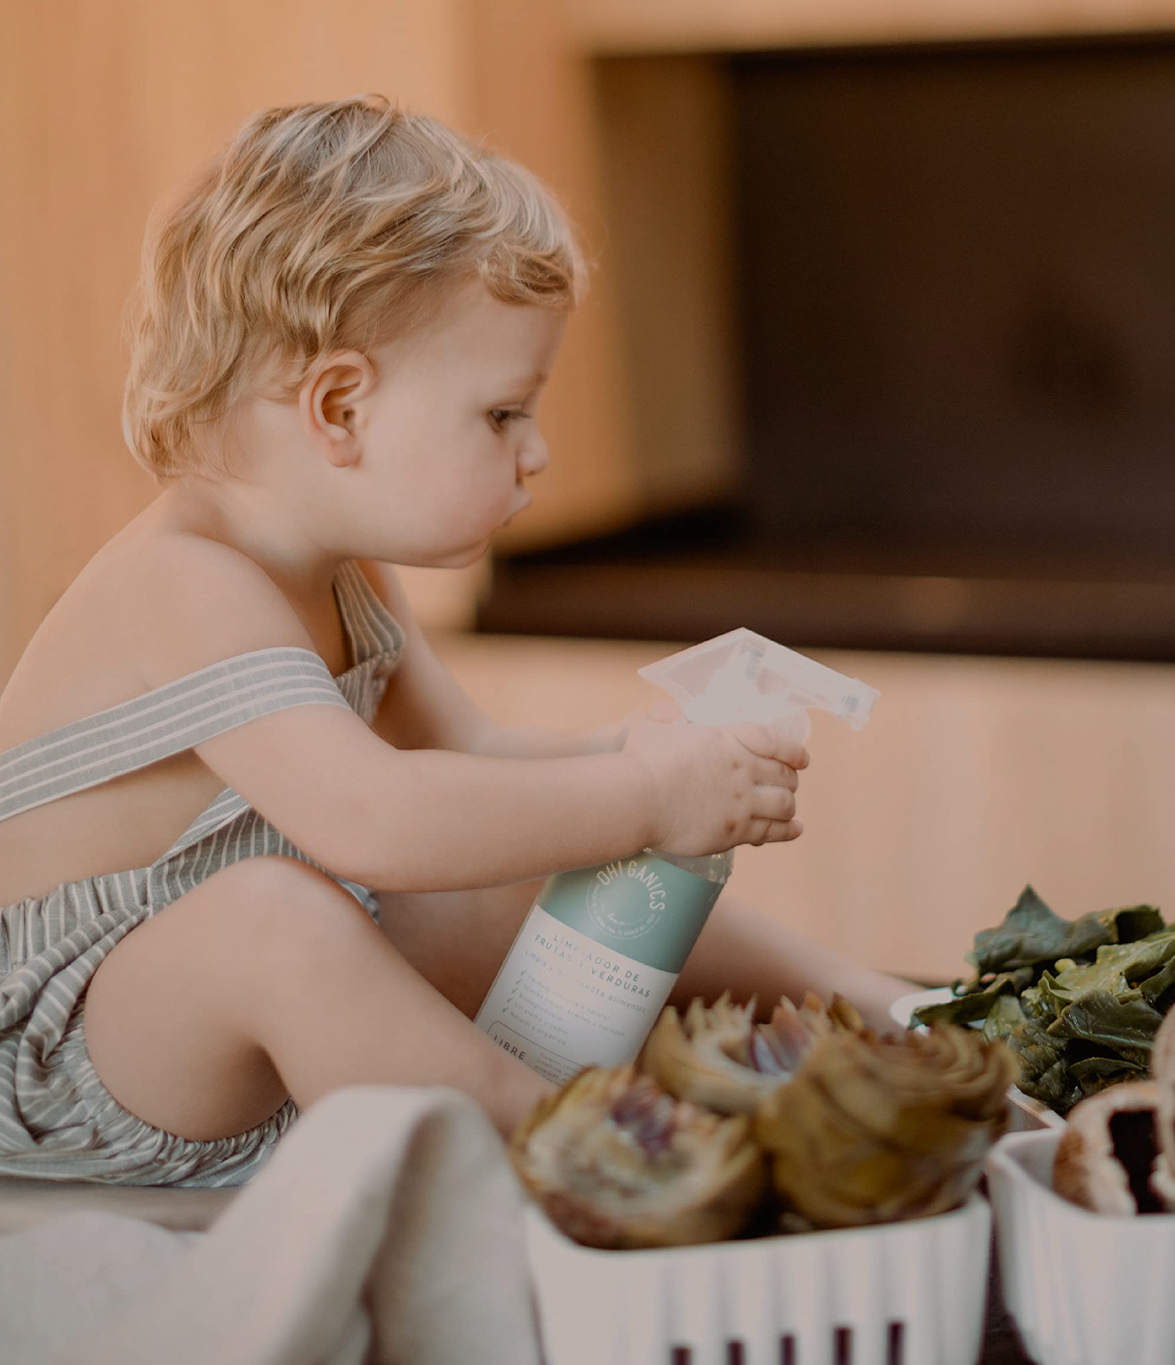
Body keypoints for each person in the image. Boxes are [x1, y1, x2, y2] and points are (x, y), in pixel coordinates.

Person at [0, 96, 903, 1187]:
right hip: (75, 1051)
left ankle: (886, 1011)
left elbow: (464, 761)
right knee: (275, 918)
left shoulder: (344, 571)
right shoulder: (183, 583)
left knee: (538, 850)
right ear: (339, 409)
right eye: (500, 415)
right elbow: (375, 820)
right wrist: (651, 795)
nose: (537, 454)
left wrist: (637, 757)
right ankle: (580, 1162)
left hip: (228, 1025)